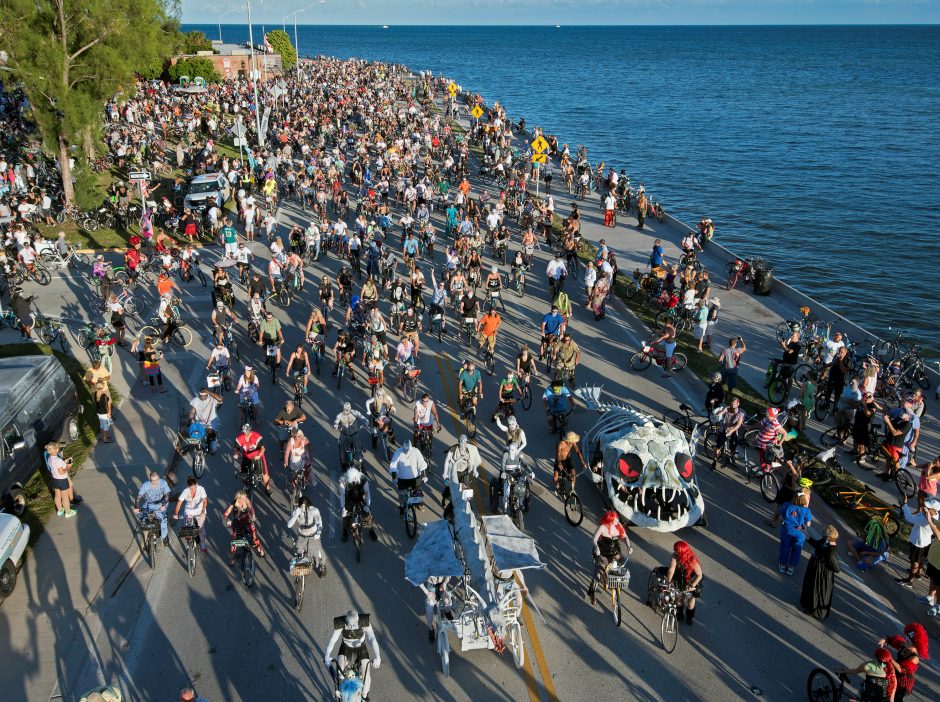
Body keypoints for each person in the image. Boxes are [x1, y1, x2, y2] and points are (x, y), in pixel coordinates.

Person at [323, 610, 382, 701]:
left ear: (358, 619)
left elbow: (372, 639)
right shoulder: (341, 624)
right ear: (345, 619)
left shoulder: (364, 622)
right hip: (346, 649)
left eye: (353, 625)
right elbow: (332, 641)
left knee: (366, 676)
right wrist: (327, 656)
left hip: (361, 650)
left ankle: (364, 696)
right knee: (340, 673)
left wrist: (378, 657)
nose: (350, 627)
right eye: (348, 624)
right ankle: (341, 694)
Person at [587, 511, 632, 605]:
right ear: (610, 520)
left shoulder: (618, 526)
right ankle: (592, 592)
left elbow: (625, 537)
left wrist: (629, 546)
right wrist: (596, 548)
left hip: (614, 552)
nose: (617, 520)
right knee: (599, 572)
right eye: (615, 519)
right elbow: (594, 539)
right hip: (602, 552)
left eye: (617, 519)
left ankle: (610, 579)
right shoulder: (603, 527)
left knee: (618, 567)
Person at [880, 622, 929, 701]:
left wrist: (889, 658)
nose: (905, 641)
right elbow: (892, 640)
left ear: (915, 644)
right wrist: (885, 639)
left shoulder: (915, 658)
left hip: (902, 681)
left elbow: (901, 669)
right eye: (906, 638)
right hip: (894, 673)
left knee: (895, 698)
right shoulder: (905, 646)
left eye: (908, 641)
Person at [800, 524, 840, 619]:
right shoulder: (825, 542)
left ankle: (814, 611)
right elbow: (817, 545)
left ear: (829, 537)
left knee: (817, 590)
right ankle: (808, 605)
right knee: (811, 587)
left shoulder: (831, 552)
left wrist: (823, 564)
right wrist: (804, 531)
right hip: (816, 568)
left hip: (822, 574)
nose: (823, 536)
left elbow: (836, 569)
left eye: (825, 534)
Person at [665, 540, 704, 625]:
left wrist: (692, 585)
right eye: (674, 549)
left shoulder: (692, 560)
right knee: (679, 598)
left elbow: (699, 575)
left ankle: (689, 617)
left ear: (682, 552)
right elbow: (671, 569)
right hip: (679, 578)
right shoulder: (675, 556)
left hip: (692, 580)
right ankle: (679, 615)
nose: (675, 552)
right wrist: (669, 581)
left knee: (690, 603)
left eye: (677, 551)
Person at [287, 496, 326, 577]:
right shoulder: (297, 511)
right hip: (301, 536)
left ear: (307, 505)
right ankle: (302, 567)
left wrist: (318, 534)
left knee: (318, 554)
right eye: (300, 506)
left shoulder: (314, 510)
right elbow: (289, 525)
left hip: (313, 536)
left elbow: (319, 522)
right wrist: (296, 514)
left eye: (302, 506)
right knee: (298, 551)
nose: (301, 508)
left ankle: (323, 567)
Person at [778, 490, 813, 575]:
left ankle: (782, 565)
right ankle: (791, 568)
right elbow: (808, 524)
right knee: (797, 549)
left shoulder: (787, 505)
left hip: (787, 530)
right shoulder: (806, 510)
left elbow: (780, 513)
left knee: (785, 547)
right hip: (800, 532)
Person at [223, 489, 264, 560]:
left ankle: (259, 548)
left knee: (254, 536)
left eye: (246, 498)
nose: (245, 499)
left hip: (247, 522)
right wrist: (227, 520)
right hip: (237, 524)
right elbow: (225, 514)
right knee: (234, 541)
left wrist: (253, 515)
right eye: (243, 498)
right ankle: (232, 557)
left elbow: (251, 507)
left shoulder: (246, 500)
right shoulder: (233, 504)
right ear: (238, 499)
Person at [339, 466, 378, 542]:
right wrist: (342, 508)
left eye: (354, 479)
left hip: (361, 497)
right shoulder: (343, 481)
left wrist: (368, 505)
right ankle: (345, 531)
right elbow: (342, 496)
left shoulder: (363, 479)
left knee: (367, 515)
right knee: (346, 516)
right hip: (349, 498)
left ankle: (371, 530)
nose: (352, 481)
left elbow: (367, 493)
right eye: (350, 480)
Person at [389, 439, 428, 513]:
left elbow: (422, 464)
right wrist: (394, 477)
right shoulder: (398, 452)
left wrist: (424, 475)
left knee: (417, 492)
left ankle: (418, 503)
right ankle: (402, 505)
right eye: (405, 450)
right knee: (402, 494)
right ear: (403, 447)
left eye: (408, 450)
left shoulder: (416, 451)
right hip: (402, 479)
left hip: (415, 478)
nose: (406, 451)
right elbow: (393, 465)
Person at [233, 423, 272, 495]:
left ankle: (267, 487)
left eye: (246, 432)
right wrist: (236, 454)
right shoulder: (240, 437)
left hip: (257, 456)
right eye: (243, 432)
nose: (244, 433)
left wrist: (259, 456)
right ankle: (247, 485)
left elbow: (263, 448)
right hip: (246, 457)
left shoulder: (256, 437)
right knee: (242, 475)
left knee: (264, 475)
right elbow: (236, 448)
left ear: (250, 431)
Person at [172, 476, 208, 552]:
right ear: (188, 486)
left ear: (196, 484)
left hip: (200, 510)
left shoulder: (201, 489)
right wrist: (175, 514)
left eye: (194, 487)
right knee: (187, 529)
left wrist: (203, 511)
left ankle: (202, 543)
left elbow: (205, 501)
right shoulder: (185, 491)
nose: (193, 489)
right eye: (191, 488)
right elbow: (179, 503)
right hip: (189, 511)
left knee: (201, 528)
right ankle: (189, 541)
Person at [134, 471, 170, 544]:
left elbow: (167, 495)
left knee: (162, 519)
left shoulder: (163, 483)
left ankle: (164, 537)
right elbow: (138, 498)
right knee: (141, 515)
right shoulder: (146, 485)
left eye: (156, 480)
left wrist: (163, 504)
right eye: (152, 480)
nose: (154, 482)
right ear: (150, 479)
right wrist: (136, 507)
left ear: (158, 478)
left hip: (161, 503)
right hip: (149, 503)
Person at [497, 442, 532, 515]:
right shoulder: (506, 454)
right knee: (506, 493)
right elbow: (503, 464)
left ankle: (521, 503)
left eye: (512, 449)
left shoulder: (519, 454)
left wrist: (531, 471)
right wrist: (503, 472)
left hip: (517, 473)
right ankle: (505, 509)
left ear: (516, 450)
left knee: (522, 489)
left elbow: (525, 464)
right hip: (507, 474)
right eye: (509, 449)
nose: (510, 451)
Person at [47, 442, 76, 518]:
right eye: (58, 448)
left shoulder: (49, 458)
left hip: (55, 480)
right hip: (62, 480)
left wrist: (64, 462)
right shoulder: (58, 460)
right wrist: (68, 466)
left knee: (57, 495)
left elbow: (56, 468)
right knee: (65, 497)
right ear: (56, 450)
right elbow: (61, 472)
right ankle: (68, 512)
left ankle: (60, 511)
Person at [334, 402, 366, 467]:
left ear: (350, 407)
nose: (347, 410)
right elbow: (336, 421)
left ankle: (361, 463)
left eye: (349, 408)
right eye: (346, 408)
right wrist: (336, 425)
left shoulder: (355, 412)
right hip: (344, 434)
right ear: (344, 408)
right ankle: (343, 463)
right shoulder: (340, 415)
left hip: (354, 433)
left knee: (358, 447)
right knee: (342, 449)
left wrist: (366, 421)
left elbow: (361, 416)